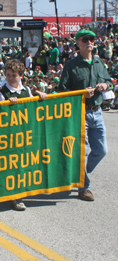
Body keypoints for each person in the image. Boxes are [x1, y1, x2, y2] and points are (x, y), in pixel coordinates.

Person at [58, 30, 110, 201]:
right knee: (83, 151)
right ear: (78, 44)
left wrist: (105, 85)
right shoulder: (71, 65)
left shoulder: (99, 62)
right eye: (85, 39)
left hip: (97, 111)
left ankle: (80, 173)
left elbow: (109, 81)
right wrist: (81, 93)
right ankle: (84, 187)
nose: (89, 42)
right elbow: (62, 90)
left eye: (92, 39)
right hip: (79, 112)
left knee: (101, 150)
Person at [0, 59, 47, 210]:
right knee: (12, 167)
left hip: (25, 134)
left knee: (24, 164)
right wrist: (7, 105)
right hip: (9, 136)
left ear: (21, 76)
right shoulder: (2, 93)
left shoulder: (27, 91)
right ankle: (15, 196)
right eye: (8, 75)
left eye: (14, 75)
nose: (11, 78)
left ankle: (20, 191)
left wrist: (41, 97)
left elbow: (33, 109)